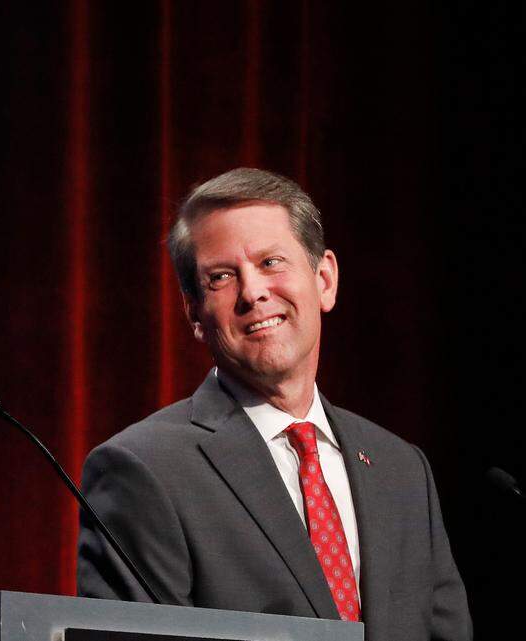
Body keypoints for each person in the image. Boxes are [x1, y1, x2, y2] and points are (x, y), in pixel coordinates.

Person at [77, 168, 471, 641]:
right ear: (194, 314)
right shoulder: (143, 469)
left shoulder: (401, 468)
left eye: (271, 262)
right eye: (221, 277)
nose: (253, 292)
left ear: (324, 280)